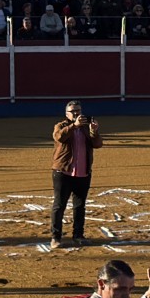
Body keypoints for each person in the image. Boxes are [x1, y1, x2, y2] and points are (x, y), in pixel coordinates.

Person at [49, 100, 101, 249]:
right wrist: (74, 126)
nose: (76, 113)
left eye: (78, 110)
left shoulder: (86, 127)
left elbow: (97, 144)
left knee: (80, 206)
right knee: (59, 206)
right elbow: (59, 137)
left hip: (83, 173)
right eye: (73, 111)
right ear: (67, 114)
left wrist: (94, 131)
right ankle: (56, 237)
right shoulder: (61, 126)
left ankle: (78, 235)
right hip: (63, 172)